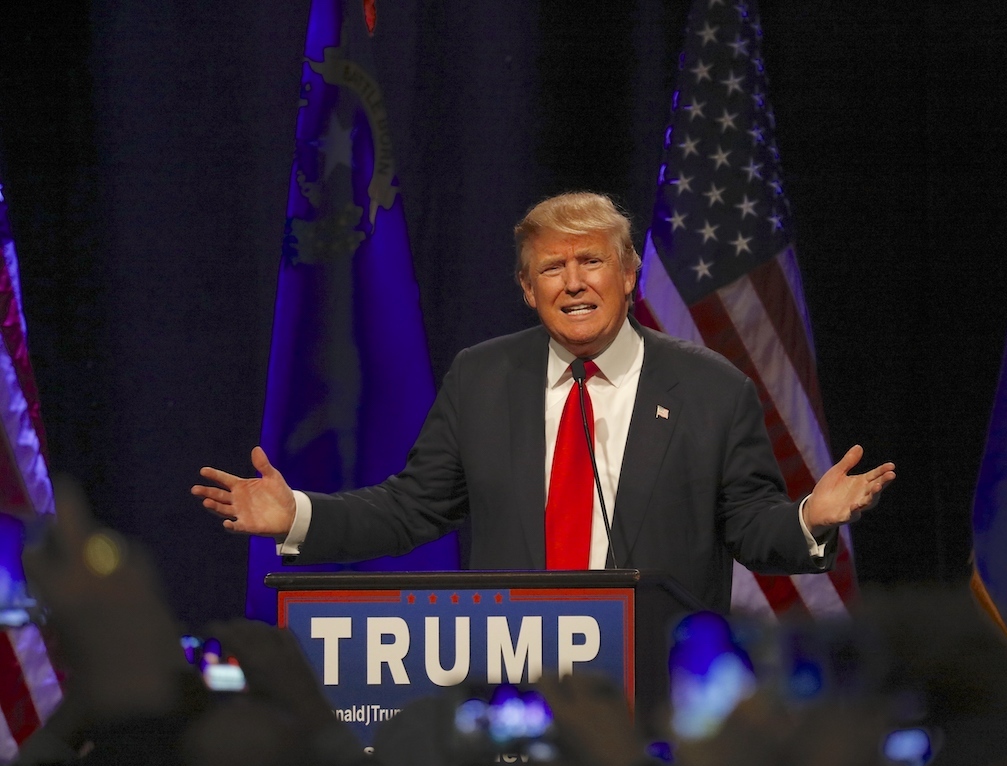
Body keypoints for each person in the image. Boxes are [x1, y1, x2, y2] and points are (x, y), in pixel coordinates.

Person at [192, 192, 894, 611]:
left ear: (626, 275)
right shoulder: (482, 377)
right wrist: (301, 515)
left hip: (656, 685)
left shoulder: (712, 390)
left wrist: (809, 517)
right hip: (516, 677)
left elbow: (748, 527)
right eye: (552, 267)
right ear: (529, 291)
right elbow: (413, 508)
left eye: (591, 261)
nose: (573, 281)